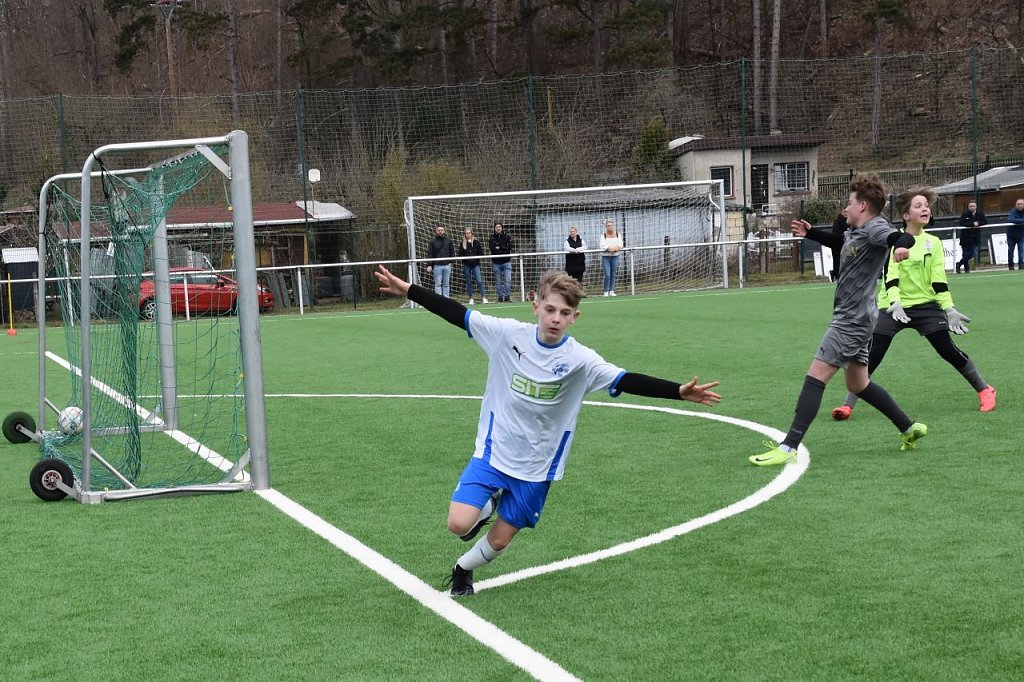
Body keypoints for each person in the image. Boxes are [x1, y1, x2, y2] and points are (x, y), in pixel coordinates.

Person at [372, 265, 721, 596]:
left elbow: (625, 379)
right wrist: (410, 290)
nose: (556, 318)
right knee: (458, 524)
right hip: (495, 452)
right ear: (535, 305)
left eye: (564, 313)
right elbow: (456, 313)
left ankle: (462, 569)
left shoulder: (581, 360)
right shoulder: (506, 335)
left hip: (539, 466)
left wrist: (678, 391)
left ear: (574, 317)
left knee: (500, 540)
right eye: (550, 309)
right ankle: (490, 502)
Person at [751, 173, 927, 467]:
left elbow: (899, 237)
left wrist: (901, 246)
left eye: (850, 202)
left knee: (815, 377)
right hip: (861, 318)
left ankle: (789, 446)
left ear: (863, 206)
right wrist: (811, 234)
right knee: (859, 384)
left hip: (851, 321)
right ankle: (908, 428)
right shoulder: (857, 231)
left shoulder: (875, 227)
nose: (846, 208)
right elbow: (842, 243)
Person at [830, 188, 997, 421]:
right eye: (918, 206)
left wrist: (948, 308)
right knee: (872, 354)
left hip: (927, 306)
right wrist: (895, 303)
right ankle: (848, 405)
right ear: (906, 215)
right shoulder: (892, 239)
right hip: (892, 306)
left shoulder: (934, 243)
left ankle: (985, 390)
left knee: (947, 350)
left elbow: (938, 279)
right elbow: (890, 276)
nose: (925, 209)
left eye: (926, 206)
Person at [458, 228, 488, 305]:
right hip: (466, 265)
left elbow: (481, 253)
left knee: (479, 281)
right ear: (465, 234)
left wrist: (475, 260)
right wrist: (466, 260)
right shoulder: (462, 243)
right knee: (468, 282)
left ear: (472, 234)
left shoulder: (476, 242)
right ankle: (471, 298)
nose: (468, 234)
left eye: (469, 233)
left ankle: (484, 297)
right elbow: (460, 254)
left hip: (475, 265)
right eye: (466, 233)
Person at [956, 200, 986, 274]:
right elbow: (962, 223)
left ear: (976, 206)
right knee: (965, 253)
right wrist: (972, 224)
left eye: (973, 206)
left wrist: (978, 223)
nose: (972, 207)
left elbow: (985, 221)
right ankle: (966, 269)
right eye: (971, 206)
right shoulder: (965, 214)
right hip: (965, 237)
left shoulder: (980, 213)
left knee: (973, 253)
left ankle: (959, 264)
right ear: (968, 207)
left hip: (975, 237)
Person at [426, 225, 454, 297]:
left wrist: (451, 262)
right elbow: (430, 253)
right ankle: (439, 300)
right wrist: (429, 265)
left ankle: (446, 299)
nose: (440, 231)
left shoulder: (449, 241)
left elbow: (452, 252)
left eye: (441, 230)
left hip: (447, 265)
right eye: (438, 230)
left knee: (446, 284)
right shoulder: (432, 241)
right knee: (438, 284)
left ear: (444, 231)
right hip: (437, 266)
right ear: (436, 231)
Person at [489, 222, 514, 302]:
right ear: (494, 228)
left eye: (499, 227)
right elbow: (493, 250)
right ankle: (500, 297)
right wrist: (503, 249)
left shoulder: (507, 236)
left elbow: (509, 247)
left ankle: (507, 297)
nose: (498, 228)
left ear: (502, 228)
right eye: (496, 227)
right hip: (496, 263)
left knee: (508, 280)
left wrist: (500, 248)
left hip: (506, 262)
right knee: (498, 282)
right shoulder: (492, 238)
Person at [599, 219, 623, 297]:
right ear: (606, 227)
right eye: (608, 226)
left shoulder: (617, 234)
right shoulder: (603, 235)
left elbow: (620, 244)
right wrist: (609, 248)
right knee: (607, 275)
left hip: (615, 256)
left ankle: (611, 290)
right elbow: (602, 245)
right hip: (606, 257)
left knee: (613, 274)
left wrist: (615, 248)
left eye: (611, 225)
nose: (609, 227)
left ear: (613, 226)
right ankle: (606, 291)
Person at [828, 207, 851, 281]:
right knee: (837, 260)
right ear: (841, 212)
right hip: (837, 245)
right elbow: (836, 233)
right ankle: (836, 274)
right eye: (844, 212)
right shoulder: (837, 221)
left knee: (850, 258)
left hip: (848, 245)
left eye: (847, 212)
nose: (846, 213)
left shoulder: (851, 221)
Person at [1006, 198, 1024, 270]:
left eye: (1021, 204)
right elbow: (1011, 219)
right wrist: (1022, 221)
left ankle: (1021, 265)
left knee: (1021, 251)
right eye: (1018, 204)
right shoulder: (1013, 211)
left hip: (1021, 235)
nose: (1020, 205)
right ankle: (1011, 265)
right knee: (1011, 251)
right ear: (1015, 205)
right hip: (1011, 235)